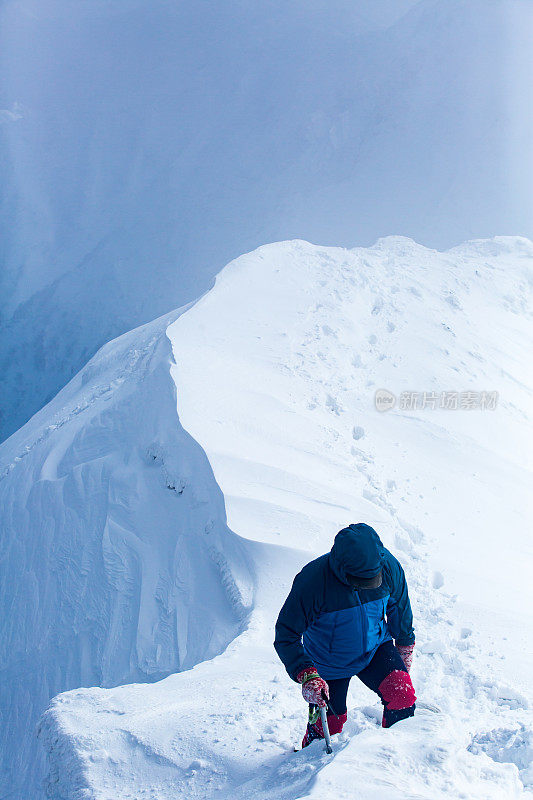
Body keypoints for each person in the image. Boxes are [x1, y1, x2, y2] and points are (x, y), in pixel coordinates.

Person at [274, 523, 416, 747]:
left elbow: (399, 606)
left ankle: (394, 761)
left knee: (402, 697)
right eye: (360, 581)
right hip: (328, 663)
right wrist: (307, 674)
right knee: (329, 727)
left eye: (371, 581)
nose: (366, 586)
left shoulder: (388, 566)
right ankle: (304, 769)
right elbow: (286, 634)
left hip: (375, 648)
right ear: (342, 570)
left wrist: (405, 643)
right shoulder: (312, 582)